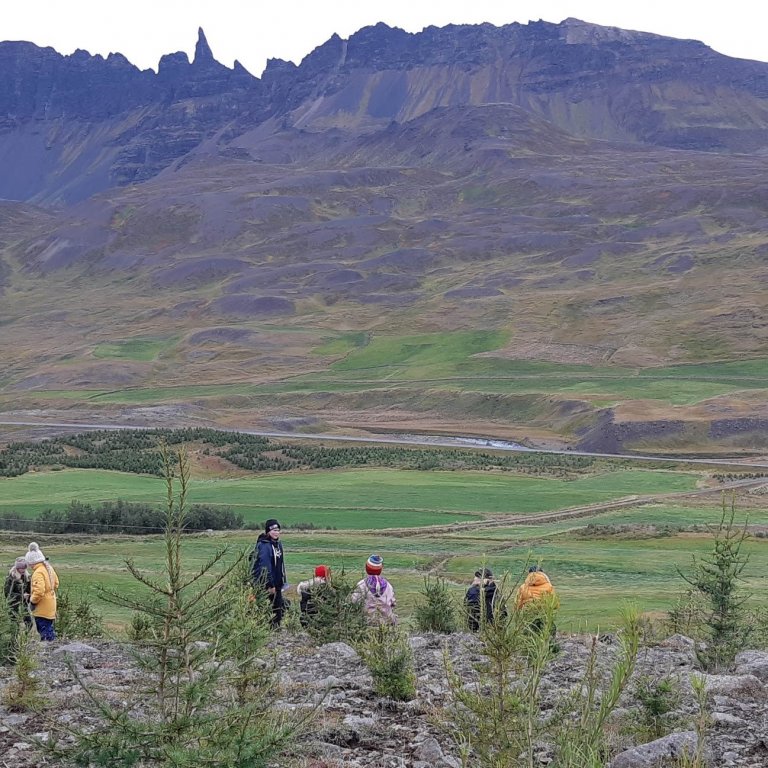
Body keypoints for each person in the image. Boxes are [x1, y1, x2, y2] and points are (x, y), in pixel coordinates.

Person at [251, 519, 287, 628]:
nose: (276, 532)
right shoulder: (264, 546)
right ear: (268, 531)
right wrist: (270, 584)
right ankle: (267, 633)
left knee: (277, 611)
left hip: (277, 583)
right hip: (266, 585)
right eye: (274, 530)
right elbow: (265, 566)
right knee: (268, 611)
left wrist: (281, 581)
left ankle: (275, 632)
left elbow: (280, 565)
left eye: (278, 530)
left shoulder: (278, 544)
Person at [25, 542, 59, 641]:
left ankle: (48, 648)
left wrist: (32, 602)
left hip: (42, 609)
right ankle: (53, 646)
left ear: (32, 562)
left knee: (45, 633)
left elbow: (39, 592)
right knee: (49, 629)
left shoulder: (38, 573)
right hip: (51, 605)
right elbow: (56, 583)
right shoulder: (48, 568)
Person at [516, 565, 559, 641]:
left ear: (529, 575)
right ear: (542, 574)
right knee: (549, 632)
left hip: (528, 615)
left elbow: (517, 604)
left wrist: (518, 613)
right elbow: (555, 603)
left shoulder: (523, 587)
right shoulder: (549, 586)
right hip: (544, 614)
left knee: (527, 635)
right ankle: (550, 643)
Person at [352, 555, 397, 625]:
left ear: (367, 568)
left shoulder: (361, 585)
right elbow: (393, 603)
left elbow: (353, 602)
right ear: (380, 570)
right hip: (386, 622)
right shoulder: (388, 585)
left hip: (366, 622)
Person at [4, 556, 32, 628]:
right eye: (21, 568)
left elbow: (29, 590)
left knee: (29, 623)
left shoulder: (27, 577)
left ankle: (26, 634)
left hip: (24, 604)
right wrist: (21, 596)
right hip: (13, 605)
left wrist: (29, 596)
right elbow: (8, 594)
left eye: (24, 568)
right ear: (17, 568)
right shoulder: (11, 578)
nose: (23, 570)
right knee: (14, 625)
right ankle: (14, 635)